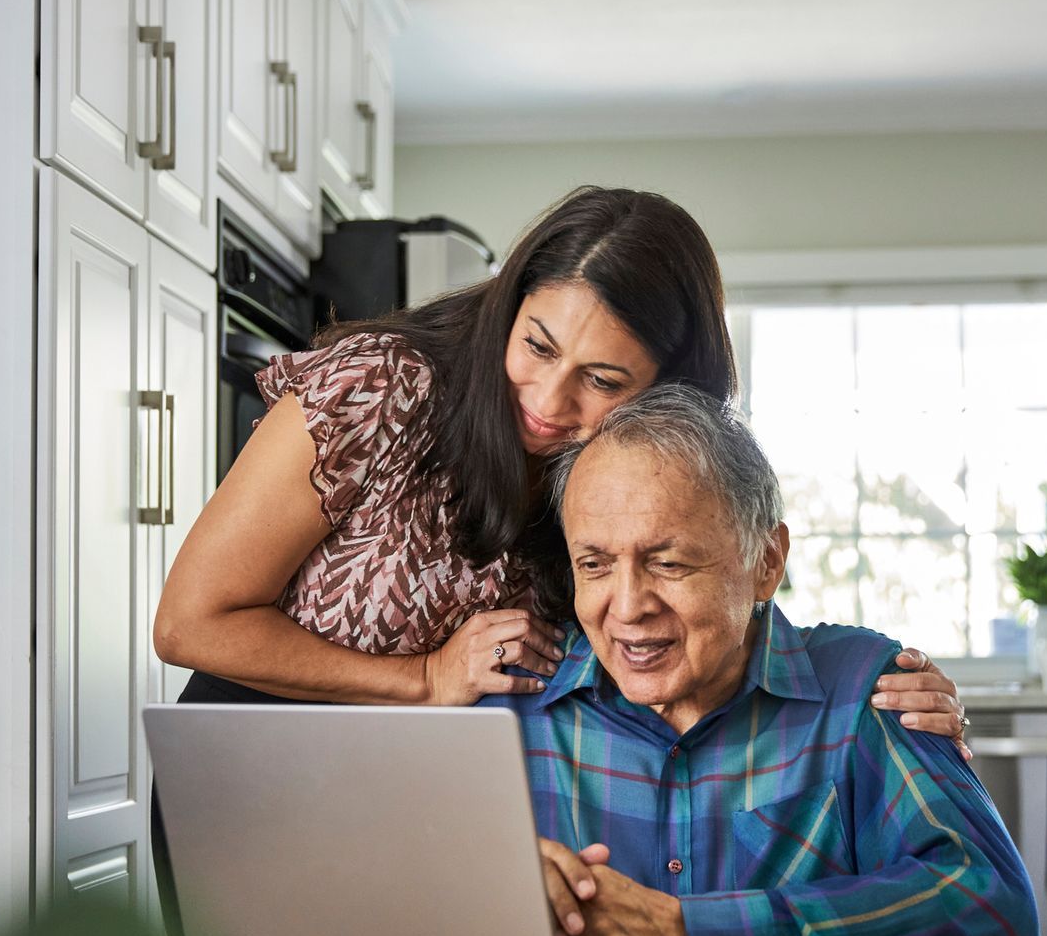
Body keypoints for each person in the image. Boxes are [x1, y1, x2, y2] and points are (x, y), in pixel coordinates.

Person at [153, 186, 970, 743]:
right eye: (537, 345)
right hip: (255, 766)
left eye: (604, 381)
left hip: (437, 801)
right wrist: (425, 678)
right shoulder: (381, 386)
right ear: (511, 305)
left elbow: (713, 607)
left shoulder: (634, 475)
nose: (547, 399)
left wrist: (876, 695)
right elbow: (190, 624)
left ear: (668, 391)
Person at [506, 384, 1038, 936]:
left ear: (767, 562)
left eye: (668, 563)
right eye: (595, 565)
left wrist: (688, 932)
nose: (628, 606)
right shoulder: (514, 709)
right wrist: (487, 892)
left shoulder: (864, 691)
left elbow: (991, 902)